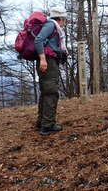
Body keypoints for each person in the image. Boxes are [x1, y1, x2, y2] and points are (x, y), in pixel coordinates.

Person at [34, 8, 68, 136]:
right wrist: (43, 59)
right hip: (48, 62)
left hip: (48, 61)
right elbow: (38, 40)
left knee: (46, 91)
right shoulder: (50, 25)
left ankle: (41, 122)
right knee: (51, 92)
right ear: (61, 18)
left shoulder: (52, 27)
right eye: (64, 19)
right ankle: (47, 125)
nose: (65, 21)